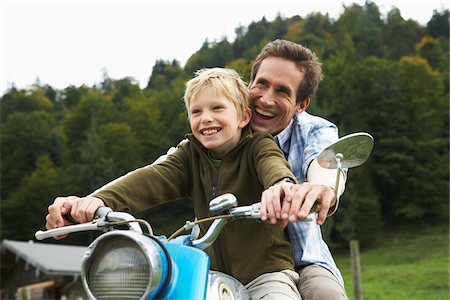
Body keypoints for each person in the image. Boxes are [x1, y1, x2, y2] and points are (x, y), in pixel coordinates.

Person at [47, 68, 301, 299]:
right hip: (208, 276)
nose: (206, 118)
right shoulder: (190, 154)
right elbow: (151, 178)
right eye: (196, 111)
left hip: (265, 274)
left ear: (244, 117)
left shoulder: (258, 145)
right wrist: (95, 201)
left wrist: (280, 186)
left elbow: (273, 165)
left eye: (217, 108)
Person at [250, 39, 348, 299]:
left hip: (303, 259)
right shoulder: (224, 123)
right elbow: (175, 161)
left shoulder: (315, 130)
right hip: (232, 261)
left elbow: (326, 162)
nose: (266, 99)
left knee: (326, 295)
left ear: (300, 105)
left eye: (282, 91)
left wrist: (322, 188)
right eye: (262, 84)